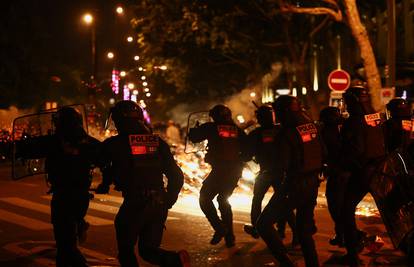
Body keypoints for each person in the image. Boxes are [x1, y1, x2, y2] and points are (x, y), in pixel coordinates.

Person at [95, 101, 189, 267]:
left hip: (135, 203)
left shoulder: (115, 144)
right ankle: (175, 261)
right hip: (159, 202)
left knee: (126, 250)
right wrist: (168, 199)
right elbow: (176, 175)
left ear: (120, 120)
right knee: (148, 250)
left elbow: (97, 160)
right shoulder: (157, 142)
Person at [15, 106, 101, 267]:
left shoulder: (53, 141)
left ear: (59, 122)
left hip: (63, 195)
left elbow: (26, 150)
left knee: (65, 245)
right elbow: (104, 158)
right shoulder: (89, 142)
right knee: (70, 229)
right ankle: (79, 224)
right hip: (82, 196)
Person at [256, 96, 323, 267]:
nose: (276, 116)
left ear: (285, 112)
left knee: (263, 224)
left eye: (278, 112)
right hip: (312, 183)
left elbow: (281, 166)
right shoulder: (312, 127)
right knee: (304, 231)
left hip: (294, 185)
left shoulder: (286, 133)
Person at [188, 104, 247, 247]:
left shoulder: (211, 127)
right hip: (235, 171)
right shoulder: (237, 130)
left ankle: (220, 228)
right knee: (223, 199)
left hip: (220, 170)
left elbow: (194, 138)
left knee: (205, 198)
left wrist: (195, 129)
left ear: (214, 116)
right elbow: (248, 150)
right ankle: (230, 237)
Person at [339, 86, 386, 266]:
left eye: (347, 101)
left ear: (353, 101)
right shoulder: (375, 117)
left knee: (346, 210)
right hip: (379, 170)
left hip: (362, 171)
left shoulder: (354, 121)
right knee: (392, 212)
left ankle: (353, 255)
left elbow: (356, 149)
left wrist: (342, 163)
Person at [243, 105, 297, 246]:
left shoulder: (256, 134)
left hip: (266, 172)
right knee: (283, 203)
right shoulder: (282, 131)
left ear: (260, 118)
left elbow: (246, 154)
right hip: (283, 173)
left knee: (257, 200)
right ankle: (290, 232)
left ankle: (256, 227)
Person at [319, 107, 347, 247]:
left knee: (335, 205)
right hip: (348, 172)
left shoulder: (327, 132)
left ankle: (349, 236)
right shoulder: (345, 127)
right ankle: (343, 234)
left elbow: (324, 153)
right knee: (342, 206)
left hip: (338, 173)